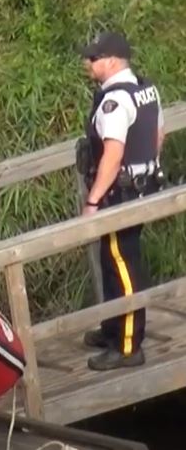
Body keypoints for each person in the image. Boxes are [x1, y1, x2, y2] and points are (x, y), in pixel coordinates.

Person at [78, 31, 165, 371]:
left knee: (122, 266)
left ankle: (128, 345)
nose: (88, 63)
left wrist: (94, 200)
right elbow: (158, 135)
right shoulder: (145, 89)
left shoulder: (114, 100)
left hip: (120, 193)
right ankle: (113, 327)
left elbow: (112, 154)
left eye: (94, 58)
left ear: (112, 61)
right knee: (114, 258)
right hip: (141, 187)